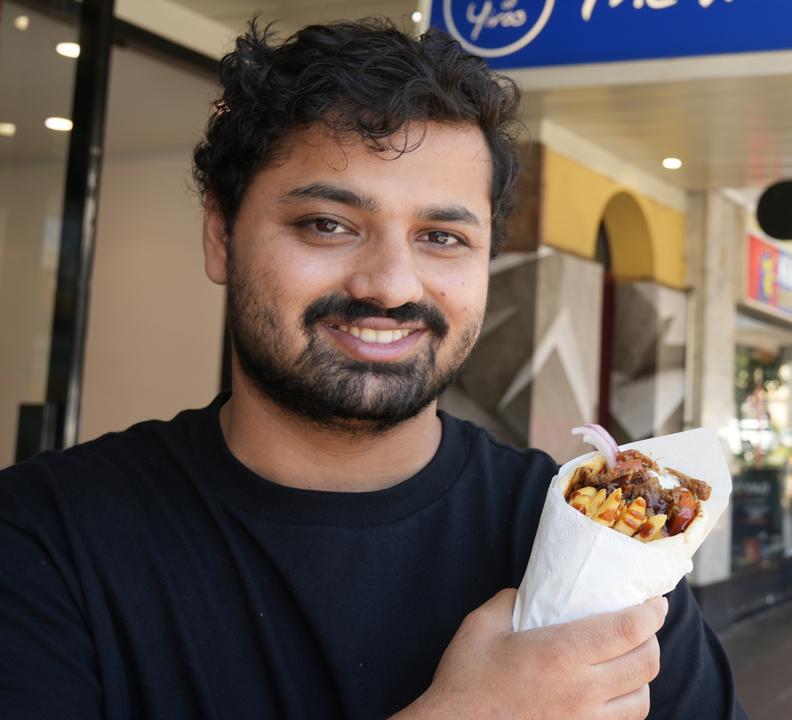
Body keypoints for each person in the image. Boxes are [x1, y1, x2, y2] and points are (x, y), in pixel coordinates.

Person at [0, 20, 744, 719]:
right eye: (328, 224)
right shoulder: (44, 540)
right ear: (221, 236)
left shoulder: (593, 546)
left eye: (443, 237)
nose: (390, 284)